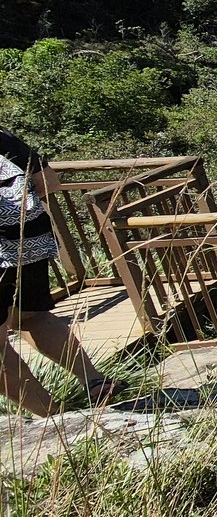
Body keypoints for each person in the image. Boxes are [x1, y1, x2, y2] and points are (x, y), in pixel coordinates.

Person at [0, 128, 121, 414]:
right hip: (29, 240)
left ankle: (58, 422)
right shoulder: (2, 137)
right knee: (31, 316)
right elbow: (49, 183)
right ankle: (93, 381)